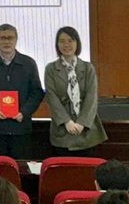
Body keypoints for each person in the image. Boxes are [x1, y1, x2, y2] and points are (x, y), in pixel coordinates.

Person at [0, 24, 44, 159]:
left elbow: (36, 92)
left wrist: (24, 112)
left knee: (20, 167)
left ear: (16, 39)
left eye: (10, 38)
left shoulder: (28, 63)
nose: (6, 41)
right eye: (2, 38)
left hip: (21, 127)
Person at [44, 26, 107, 156]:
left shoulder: (88, 68)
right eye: (62, 41)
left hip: (86, 130)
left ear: (77, 43)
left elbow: (91, 97)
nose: (66, 45)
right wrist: (67, 122)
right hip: (62, 129)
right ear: (57, 44)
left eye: (70, 40)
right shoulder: (51, 69)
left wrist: (82, 123)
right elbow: (52, 98)